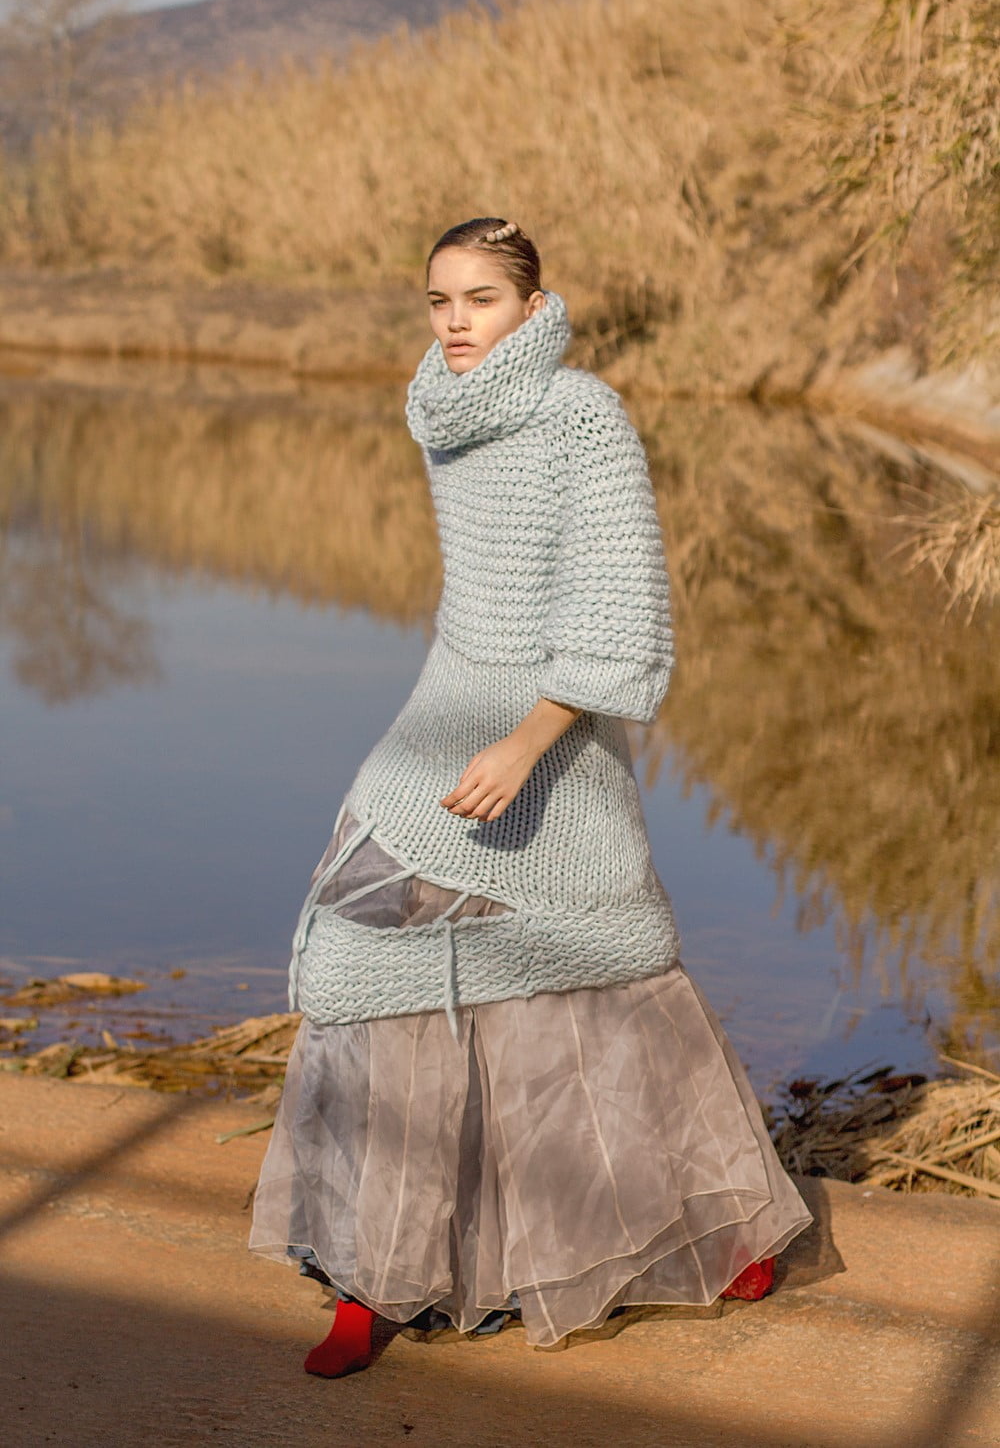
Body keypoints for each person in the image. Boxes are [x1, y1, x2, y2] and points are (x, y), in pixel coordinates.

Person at [249, 217, 812, 1376]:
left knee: (602, 972)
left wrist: (523, 746)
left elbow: (618, 608)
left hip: (549, 731)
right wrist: (466, 724)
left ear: (533, 306)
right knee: (360, 946)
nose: (455, 321)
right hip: (446, 704)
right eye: (439, 299)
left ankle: (718, 1234)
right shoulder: (442, 410)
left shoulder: (581, 415)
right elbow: (477, 601)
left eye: (481, 299)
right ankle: (372, 1270)